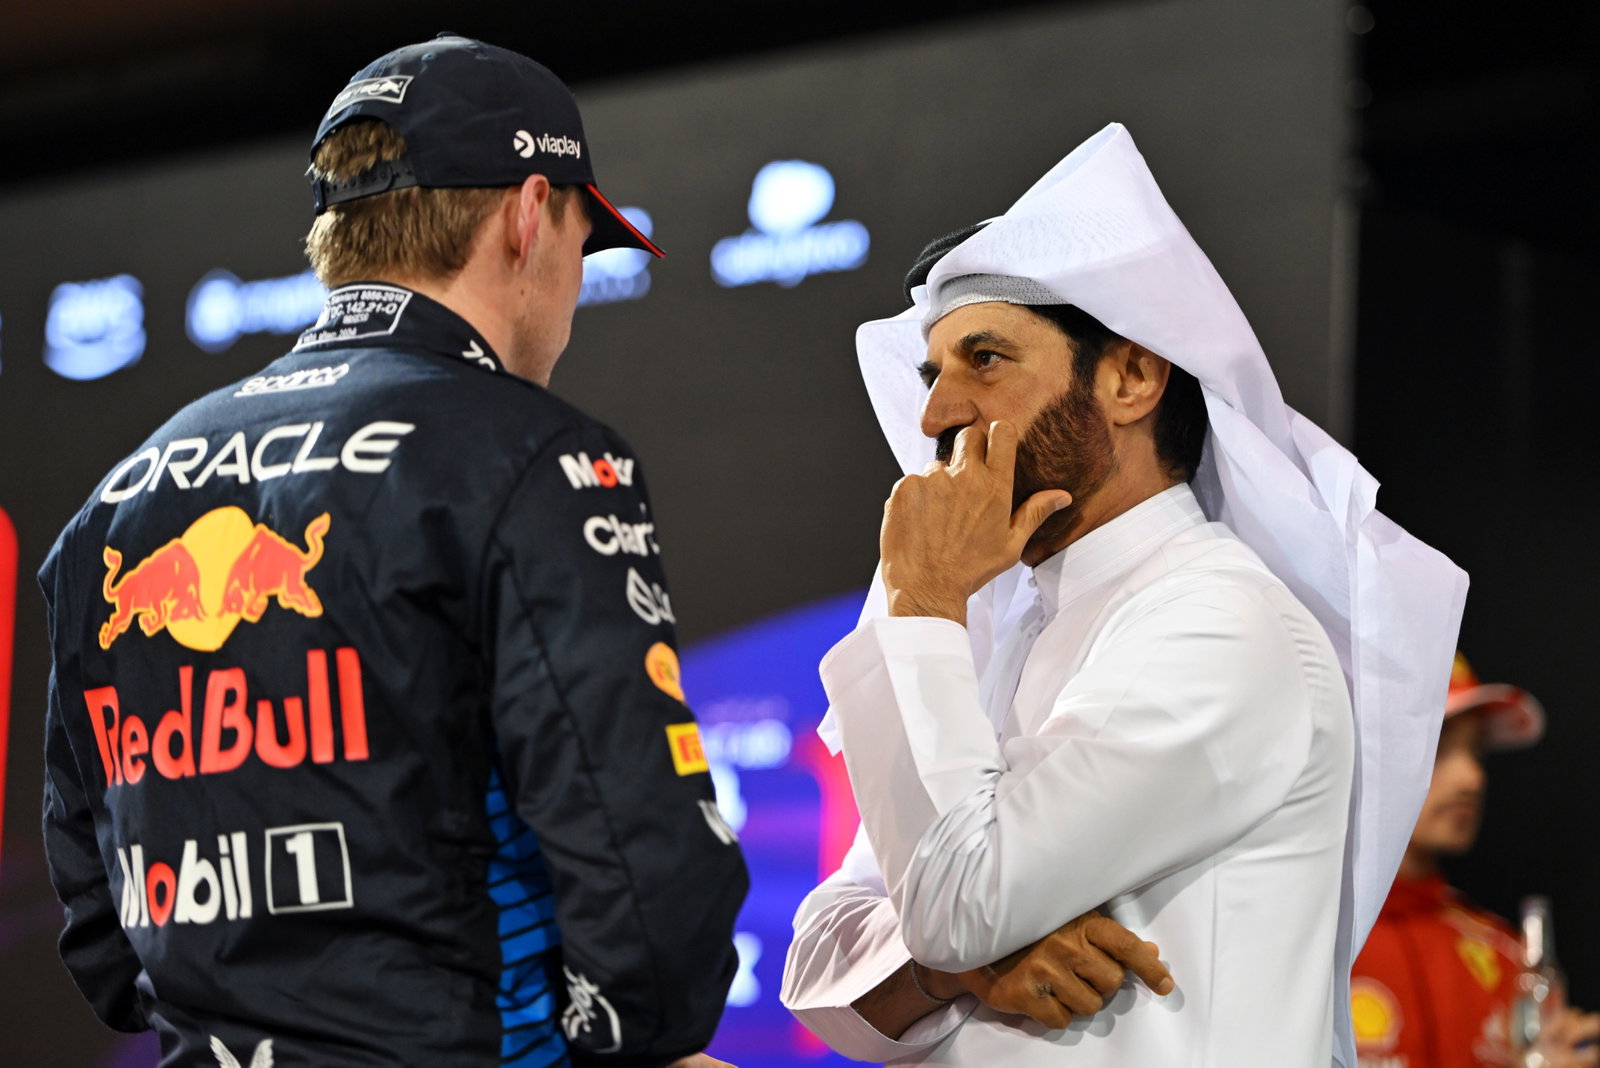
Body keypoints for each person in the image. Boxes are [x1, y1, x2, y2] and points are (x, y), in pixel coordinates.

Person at [39, 35, 747, 1068]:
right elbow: (639, 862)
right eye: (584, 245)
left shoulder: (113, 504)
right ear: (527, 215)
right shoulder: (528, 455)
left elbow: (101, 933)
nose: (572, 294)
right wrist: (639, 1042)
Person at [779, 123, 1469, 1066]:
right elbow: (819, 959)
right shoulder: (1000, 631)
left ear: (1133, 376)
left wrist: (926, 599)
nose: (936, 413)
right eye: (933, 374)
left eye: (985, 359)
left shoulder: (1224, 625)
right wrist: (958, 973)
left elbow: (955, 903)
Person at [1351, 652, 1600, 1067]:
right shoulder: (1309, 940)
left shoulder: (1510, 960)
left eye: (1476, 750)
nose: (1472, 777)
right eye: (1437, 746)